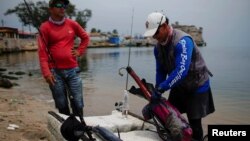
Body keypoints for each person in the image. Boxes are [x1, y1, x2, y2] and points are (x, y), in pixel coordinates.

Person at [144, 12, 215, 141]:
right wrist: (157, 88)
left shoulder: (182, 41)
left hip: (197, 85)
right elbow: (160, 71)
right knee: (167, 115)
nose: (155, 37)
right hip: (179, 85)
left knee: (195, 123)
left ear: (165, 26)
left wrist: (163, 88)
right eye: (152, 34)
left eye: (156, 33)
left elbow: (181, 71)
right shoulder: (158, 48)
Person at [38, 0, 89, 117]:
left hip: (73, 70)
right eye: (59, 5)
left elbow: (85, 38)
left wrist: (79, 51)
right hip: (54, 72)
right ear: (50, 9)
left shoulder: (72, 24)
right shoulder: (45, 27)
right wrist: (46, 73)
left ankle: (79, 126)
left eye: (65, 5)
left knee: (78, 101)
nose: (63, 8)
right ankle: (67, 125)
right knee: (61, 103)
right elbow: (42, 53)